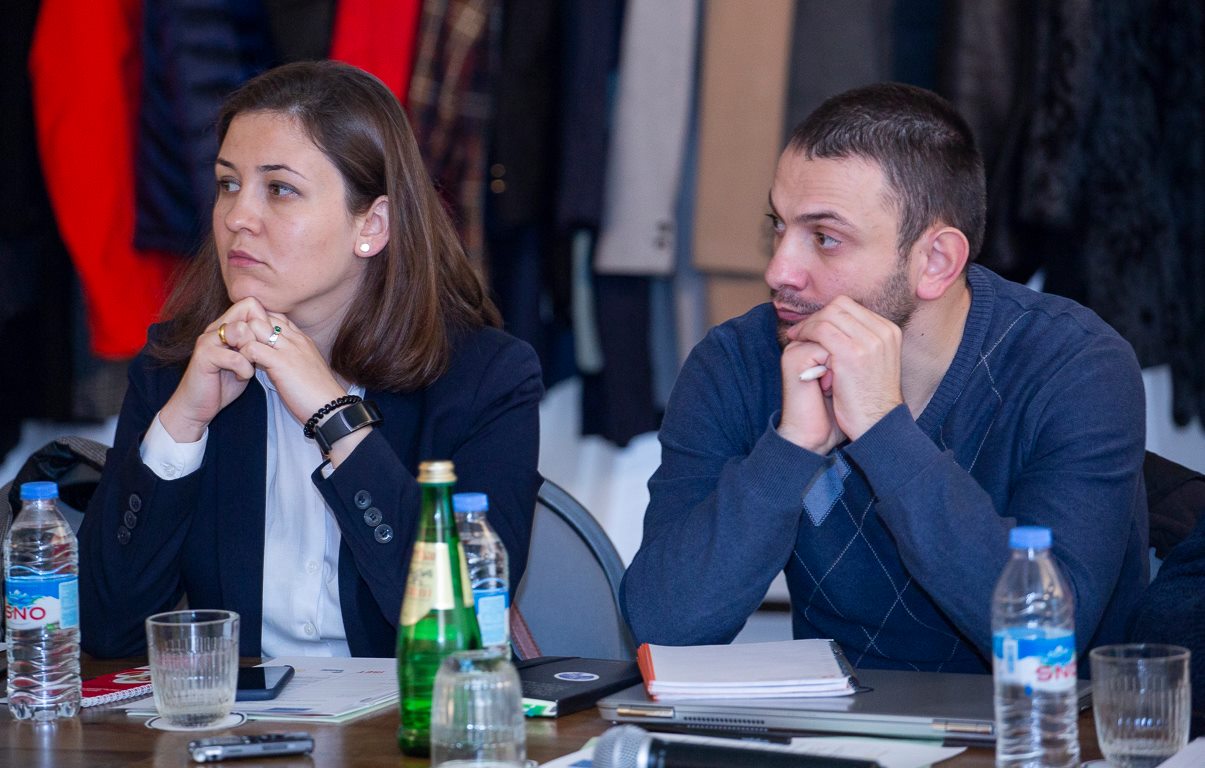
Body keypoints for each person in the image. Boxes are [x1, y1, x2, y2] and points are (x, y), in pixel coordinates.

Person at [621, 83, 1148, 673]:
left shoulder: (1075, 368)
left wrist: (881, 427)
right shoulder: (739, 362)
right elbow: (662, 628)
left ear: (936, 262)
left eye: (825, 238)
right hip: (841, 722)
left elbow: (1045, 641)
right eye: (778, 226)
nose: (778, 270)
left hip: (1032, 724)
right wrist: (790, 448)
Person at [78, 61, 543, 659]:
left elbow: (469, 623)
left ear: (371, 225)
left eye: (279, 189)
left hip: (410, 711)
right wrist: (181, 426)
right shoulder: (177, 367)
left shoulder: (487, 378)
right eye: (228, 184)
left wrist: (335, 417)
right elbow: (104, 628)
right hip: (239, 714)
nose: (237, 217)